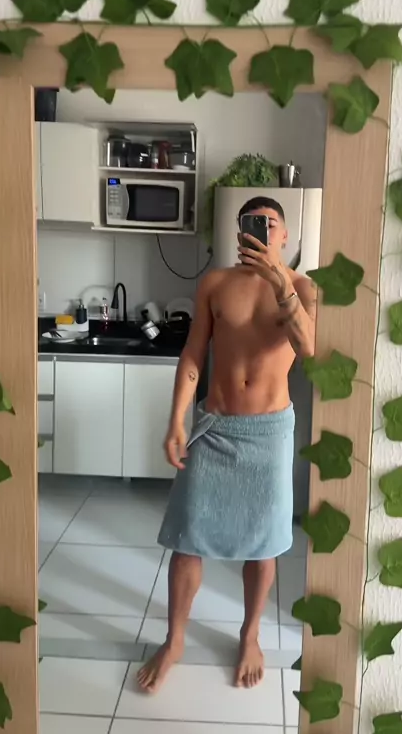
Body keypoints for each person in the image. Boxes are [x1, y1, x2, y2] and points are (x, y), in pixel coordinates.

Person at [138, 196, 317, 693]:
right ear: (238, 234)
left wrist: (280, 281)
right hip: (214, 426)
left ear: (285, 234)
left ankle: (250, 634)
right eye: (250, 225)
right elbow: (194, 354)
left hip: (269, 433)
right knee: (186, 540)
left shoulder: (303, 287)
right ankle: (175, 639)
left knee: (264, 545)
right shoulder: (215, 284)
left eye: (269, 224)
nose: (259, 232)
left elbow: (308, 347)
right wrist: (176, 420)